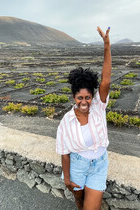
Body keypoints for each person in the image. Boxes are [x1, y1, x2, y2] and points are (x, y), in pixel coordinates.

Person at [56, 26, 111, 210]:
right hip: (77, 166)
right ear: (74, 98)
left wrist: (106, 46)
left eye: (87, 97)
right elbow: (64, 152)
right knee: (79, 202)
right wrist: (67, 178)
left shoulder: (98, 107)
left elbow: (106, 81)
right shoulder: (66, 121)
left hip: (99, 164)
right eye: (80, 98)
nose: (84, 101)